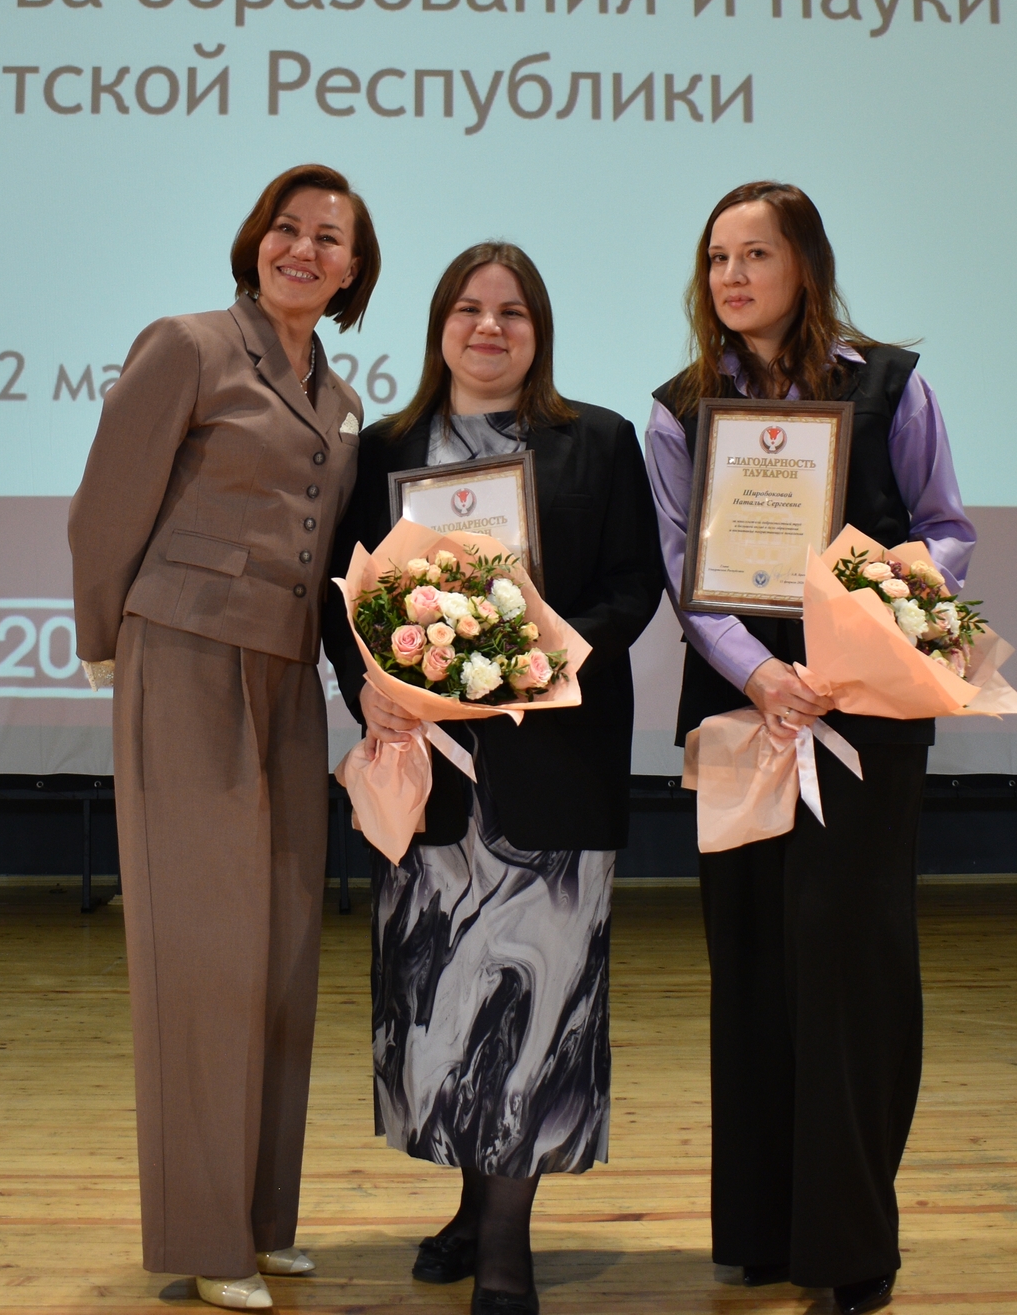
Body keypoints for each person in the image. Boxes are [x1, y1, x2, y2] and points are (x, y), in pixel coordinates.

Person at [643, 183, 976, 1315]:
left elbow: (945, 530)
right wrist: (760, 672)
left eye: (756, 254)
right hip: (744, 715)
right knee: (751, 969)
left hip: (864, 711)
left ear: (805, 266)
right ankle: (763, 1229)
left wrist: (867, 621)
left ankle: (850, 1244)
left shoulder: (890, 385)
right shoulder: (680, 410)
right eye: (717, 258)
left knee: (852, 970)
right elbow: (685, 571)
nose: (732, 277)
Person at [323, 242, 666, 1315]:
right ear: (439, 326)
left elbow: (633, 587)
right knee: (445, 1006)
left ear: (539, 331)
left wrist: (539, 657)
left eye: (512, 312)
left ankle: (507, 1245)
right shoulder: (386, 448)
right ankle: (472, 1208)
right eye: (468, 308)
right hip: (431, 776)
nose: (489, 327)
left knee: (536, 1016)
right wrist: (368, 686)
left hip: (555, 773)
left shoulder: (597, 441)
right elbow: (340, 600)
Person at [69, 164, 381, 1313]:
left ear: (353, 272)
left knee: (280, 950)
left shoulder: (338, 397)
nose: (302, 249)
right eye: (285, 229)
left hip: (287, 678)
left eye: (328, 239)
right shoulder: (189, 346)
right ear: (254, 243)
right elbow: (106, 505)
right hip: (185, 658)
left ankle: (259, 1219)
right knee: (201, 956)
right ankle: (206, 1238)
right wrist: (104, 638)